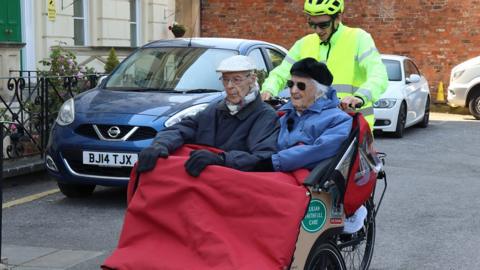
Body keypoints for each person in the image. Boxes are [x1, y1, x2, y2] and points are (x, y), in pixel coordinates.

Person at [136, 55, 279, 177]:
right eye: (225, 79)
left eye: (236, 79)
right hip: (202, 182)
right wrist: (160, 144)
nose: (229, 86)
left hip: (234, 188)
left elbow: (263, 158)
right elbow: (181, 128)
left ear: (252, 79)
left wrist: (221, 160)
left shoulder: (265, 116)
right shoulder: (214, 110)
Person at [261, 0, 388, 129]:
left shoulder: (359, 38)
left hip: (352, 126)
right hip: (312, 125)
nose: (317, 30)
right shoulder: (303, 44)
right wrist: (268, 90)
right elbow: (280, 73)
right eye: (312, 24)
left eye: (323, 25)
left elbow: (378, 75)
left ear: (338, 17)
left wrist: (360, 97)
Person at [257, 57, 352, 172]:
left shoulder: (338, 119)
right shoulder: (284, 113)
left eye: (301, 86)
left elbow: (319, 151)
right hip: (274, 172)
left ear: (319, 90)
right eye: (291, 84)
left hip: (304, 182)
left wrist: (274, 162)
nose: (293, 90)